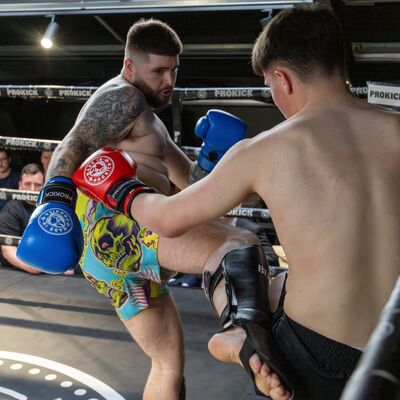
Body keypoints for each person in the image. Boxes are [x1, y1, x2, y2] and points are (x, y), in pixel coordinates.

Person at [72, 5, 400, 400]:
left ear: (281, 78)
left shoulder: (266, 149)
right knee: (268, 276)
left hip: (314, 351)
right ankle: (239, 331)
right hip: (390, 345)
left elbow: (169, 218)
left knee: (247, 256)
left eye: (269, 86)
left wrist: (120, 187)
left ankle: (239, 331)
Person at [17, 19, 292, 399]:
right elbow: (71, 145)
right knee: (238, 245)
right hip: (115, 229)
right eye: (158, 70)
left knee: (167, 363)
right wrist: (53, 205)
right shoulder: (122, 98)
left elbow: (194, 187)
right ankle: (237, 334)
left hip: (116, 257)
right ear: (130, 66)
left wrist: (214, 160)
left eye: (174, 70)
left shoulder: (148, 122)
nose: (168, 80)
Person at [0, 163, 43, 274]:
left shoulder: (50, 207)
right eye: (27, 184)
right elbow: (8, 251)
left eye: (37, 185)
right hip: (18, 271)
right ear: (20, 185)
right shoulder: (11, 210)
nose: (32, 189)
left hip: (51, 266)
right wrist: (34, 267)